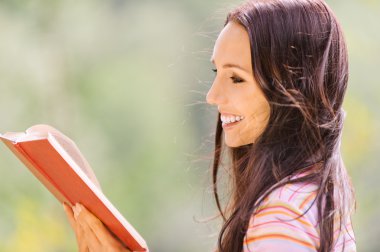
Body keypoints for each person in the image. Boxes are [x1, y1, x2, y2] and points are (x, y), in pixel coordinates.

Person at [63, 0, 357, 251]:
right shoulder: (315, 195)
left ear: (292, 87)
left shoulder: (281, 214)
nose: (212, 96)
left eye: (236, 78)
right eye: (217, 72)